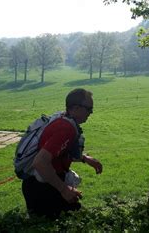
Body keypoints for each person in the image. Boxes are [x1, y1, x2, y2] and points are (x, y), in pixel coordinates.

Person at [21, 88, 103, 218]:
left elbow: (58, 151)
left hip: (40, 183)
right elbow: (40, 162)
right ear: (75, 108)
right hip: (43, 188)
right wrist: (64, 190)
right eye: (88, 109)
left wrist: (84, 158)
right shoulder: (66, 128)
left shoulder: (62, 118)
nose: (91, 113)